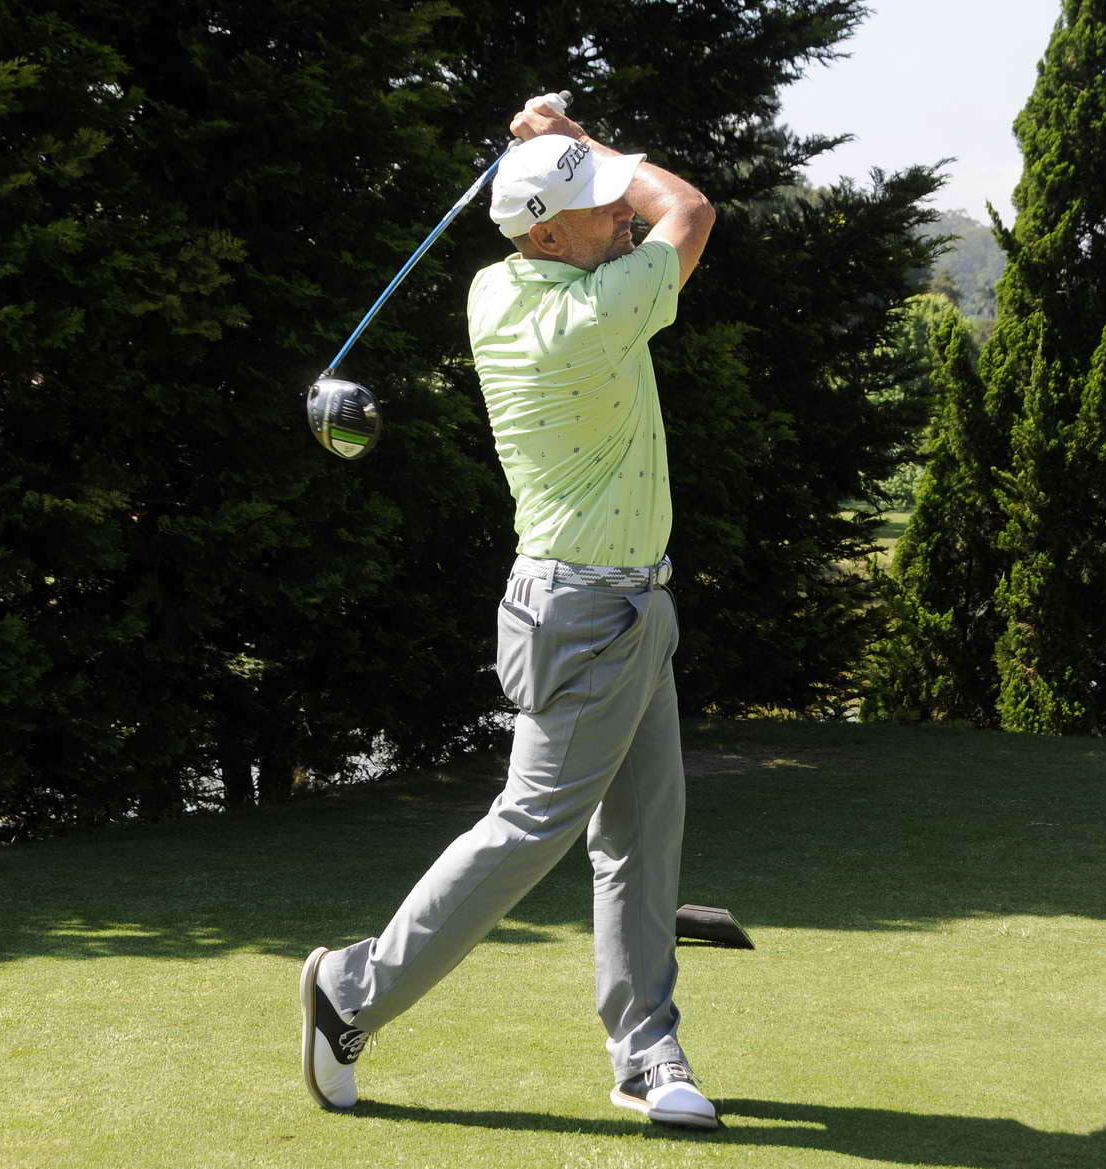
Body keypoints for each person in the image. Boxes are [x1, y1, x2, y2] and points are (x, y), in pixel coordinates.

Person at [297, 95, 717, 1130]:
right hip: (587, 611)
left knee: (643, 835)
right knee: (530, 825)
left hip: (629, 603)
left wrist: (560, 159)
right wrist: (581, 141)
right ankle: (351, 989)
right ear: (547, 236)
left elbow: (619, 219)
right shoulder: (587, 315)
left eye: (611, 199)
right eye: (597, 205)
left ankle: (645, 1050)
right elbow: (689, 211)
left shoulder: (500, 286)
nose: (619, 213)